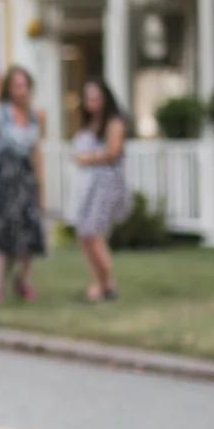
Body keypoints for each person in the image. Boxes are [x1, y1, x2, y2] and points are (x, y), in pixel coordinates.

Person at [0, 65, 46, 305]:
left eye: (24, 85)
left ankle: (23, 281)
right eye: (16, 85)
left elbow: (36, 153)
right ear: (8, 88)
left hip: (26, 182)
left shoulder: (37, 116)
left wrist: (41, 188)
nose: (20, 90)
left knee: (29, 234)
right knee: (1, 236)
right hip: (3, 182)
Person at [73, 78, 131, 302]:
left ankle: (106, 284)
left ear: (105, 98)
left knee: (94, 233)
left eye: (96, 97)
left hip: (106, 185)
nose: (92, 102)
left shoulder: (114, 123)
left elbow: (113, 152)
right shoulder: (89, 123)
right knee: (84, 235)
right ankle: (102, 283)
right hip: (88, 186)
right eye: (88, 98)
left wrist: (87, 158)